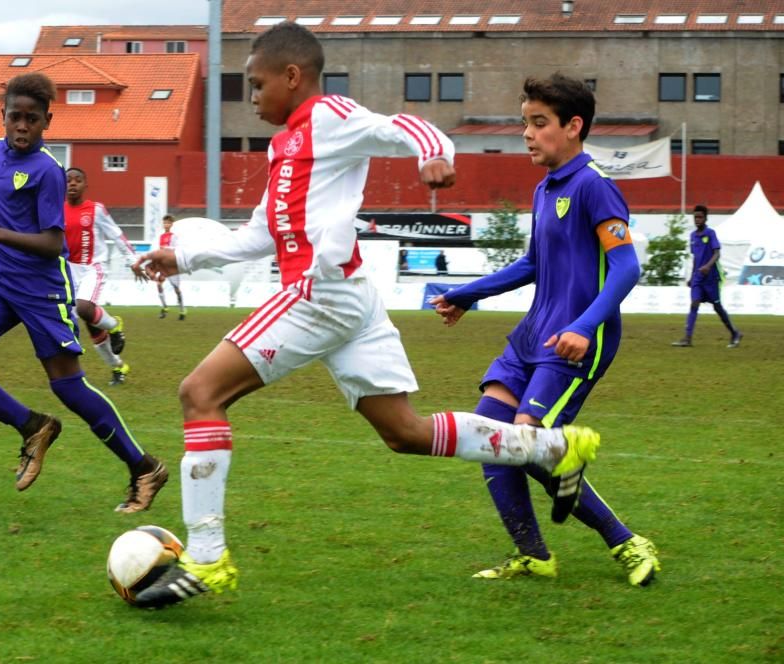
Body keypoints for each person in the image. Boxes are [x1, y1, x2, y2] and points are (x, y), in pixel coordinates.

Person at [130, 22, 600, 608]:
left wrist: (433, 153)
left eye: (256, 84)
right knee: (404, 432)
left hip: (319, 294)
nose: (252, 97)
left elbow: (401, 126)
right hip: (349, 298)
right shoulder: (284, 146)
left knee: (199, 393)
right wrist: (183, 256)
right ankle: (550, 449)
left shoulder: (328, 116)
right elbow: (259, 236)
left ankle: (206, 559)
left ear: (292, 76)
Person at [431, 73, 660, 587]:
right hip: (531, 335)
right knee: (492, 439)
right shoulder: (544, 189)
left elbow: (626, 268)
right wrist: (467, 294)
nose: (527, 134)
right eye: (525, 123)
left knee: (521, 442)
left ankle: (626, 542)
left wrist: (583, 327)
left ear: (573, 126)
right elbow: (531, 264)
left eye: (539, 123)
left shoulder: (595, 187)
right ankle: (533, 553)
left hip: (573, 342)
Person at [0, 72, 167, 514]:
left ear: (46, 122)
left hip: (41, 289)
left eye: (31, 120)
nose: (22, 127)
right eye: (15, 117)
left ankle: (144, 467)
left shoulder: (48, 172)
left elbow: (54, 243)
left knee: (69, 388)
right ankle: (32, 426)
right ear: (2, 117)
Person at [64, 166, 134, 385]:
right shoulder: (56, 209)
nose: (72, 183)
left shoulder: (95, 209)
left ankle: (115, 326)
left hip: (93, 267)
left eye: (77, 180)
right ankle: (118, 367)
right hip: (69, 270)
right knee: (91, 326)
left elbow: (116, 234)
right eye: (68, 180)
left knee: (84, 307)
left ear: (85, 185)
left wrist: (133, 261)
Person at [672, 204, 742, 348]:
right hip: (698, 277)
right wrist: (692, 276)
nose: (697, 220)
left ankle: (734, 333)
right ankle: (687, 338)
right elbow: (695, 258)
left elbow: (717, 253)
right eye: (695, 217)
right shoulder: (692, 236)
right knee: (694, 304)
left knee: (717, 307)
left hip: (711, 278)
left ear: (706, 218)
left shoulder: (711, 233)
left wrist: (708, 266)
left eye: (700, 217)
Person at [156, 214, 186, 320]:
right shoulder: (161, 236)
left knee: (176, 289)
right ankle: (165, 308)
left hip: (172, 264)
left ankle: (182, 310)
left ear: (171, 224)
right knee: (159, 284)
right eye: (164, 223)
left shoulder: (173, 236)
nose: (166, 225)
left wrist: (166, 248)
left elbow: (176, 248)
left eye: (168, 223)